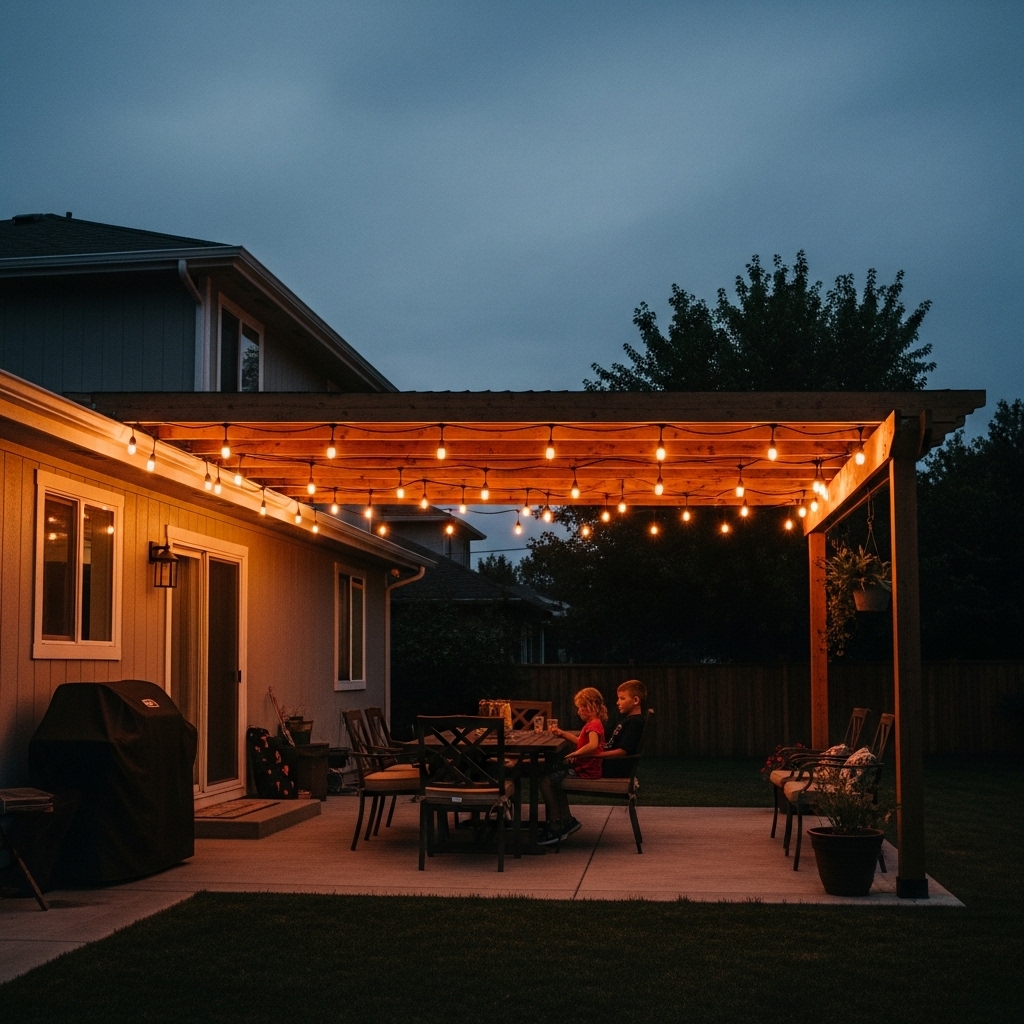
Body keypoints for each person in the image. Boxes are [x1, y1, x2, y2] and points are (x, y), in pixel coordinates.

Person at [537, 687, 607, 844]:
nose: (579, 710)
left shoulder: (593, 726)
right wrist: (562, 734)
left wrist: (576, 754)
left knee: (545, 781)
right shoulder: (594, 724)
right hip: (586, 769)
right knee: (554, 778)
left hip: (585, 771)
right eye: (579, 707)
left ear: (593, 706)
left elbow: (593, 745)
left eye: (583, 706)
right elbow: (581, 742)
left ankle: (555, 825)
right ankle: (568, 821)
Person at [596, 679, 647, 776]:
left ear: (635, 700)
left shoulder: (635, 722)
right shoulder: (628, 720)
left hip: (611, 768)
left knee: (562, 770)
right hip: (605, 763)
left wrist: (594, 756)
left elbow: (623, 751)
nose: (617, 702)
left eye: (622, 698)